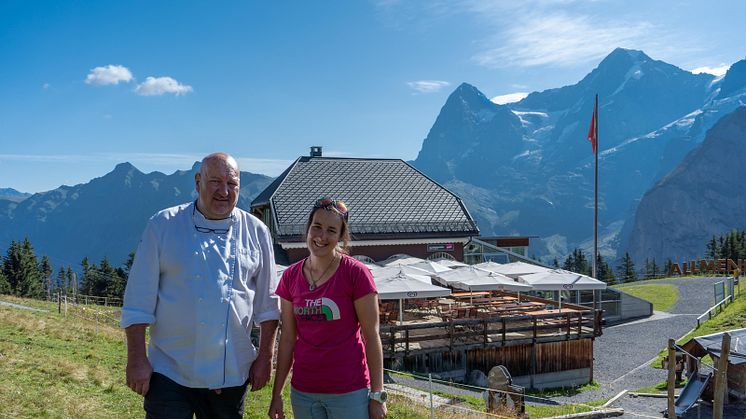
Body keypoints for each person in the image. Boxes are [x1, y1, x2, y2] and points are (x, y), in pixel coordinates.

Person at [121, 152, 280, 418]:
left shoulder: (256, 232)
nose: (224, 191)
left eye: (232, 184)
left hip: (230, 372)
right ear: (198, 182)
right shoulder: (163, 225)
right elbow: (138, 300)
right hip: (169, 370)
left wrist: (265, 357)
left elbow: (268, 305)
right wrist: (136, 358)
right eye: (215, 181)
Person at [268, 198, 387, 419]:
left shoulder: (356, 274)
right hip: (303, 392)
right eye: (317, 227)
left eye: (331, 230)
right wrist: (277, 395)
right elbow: (287, 339)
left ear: (341, 236)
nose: (321, 236)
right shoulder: (290, 277)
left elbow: (371, 335)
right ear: (308, 228)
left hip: (349, 392)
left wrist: (377, 395)